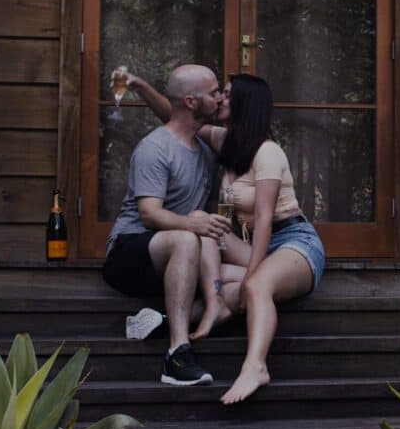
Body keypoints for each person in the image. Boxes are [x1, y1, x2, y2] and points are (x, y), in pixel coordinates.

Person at [128, 71, 325, 405]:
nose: (220, 98)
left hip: (294, 243)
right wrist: (141, 87)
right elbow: (172, 115)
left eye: (228, 94)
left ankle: (255, 367)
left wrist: (252, 275)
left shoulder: (268, 152)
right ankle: (200, 309)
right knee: (206, 229)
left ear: (245, 104)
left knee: (253, 287)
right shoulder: (226, 142)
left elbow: (263, 219)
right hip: (252, 246)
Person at [102, 64, 226, 387]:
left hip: (177, 260)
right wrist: (192, 224)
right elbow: (149, 214)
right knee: (187, 240)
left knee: (244, 287)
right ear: (190, 101)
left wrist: (141, 85)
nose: (219, 98)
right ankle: (177, 355)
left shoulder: (205, 149)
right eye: (213, 93)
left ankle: (160, 322)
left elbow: (172, 112)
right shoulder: (155, 148)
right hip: (129, 253)